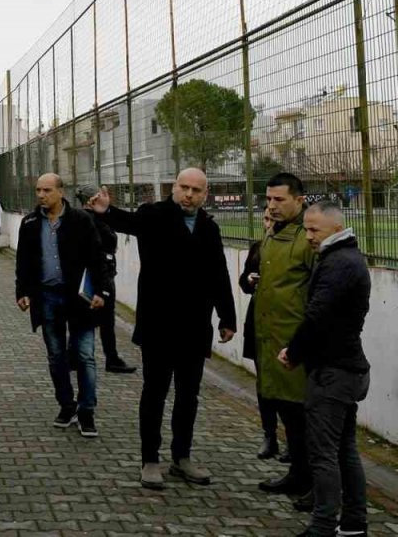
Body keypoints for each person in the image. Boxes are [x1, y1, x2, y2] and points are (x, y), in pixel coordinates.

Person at [89, 169, 236, 490]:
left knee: (188, 396)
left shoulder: (209, 227)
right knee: (154, 393)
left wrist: (227, 317)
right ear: (174, 188)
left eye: (196, 190)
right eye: (184, 188)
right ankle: (150, 459)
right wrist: (106, 210)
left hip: (195, 327)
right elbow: (129, 223)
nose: (189, 194)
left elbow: (218, 273)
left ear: (205, 194)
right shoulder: (154, 215)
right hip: (159, 325)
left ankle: (181, 457)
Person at [279, 201, 371, 537]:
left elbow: (317, 315)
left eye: (314, 229)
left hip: (333, 372)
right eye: (306, 228)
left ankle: (323, 525)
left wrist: (294, 351)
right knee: (344, 449)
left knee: (323, 453)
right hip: (346, 369)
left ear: (335, 227)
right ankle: (353, 524)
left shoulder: (339, 263)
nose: (308, 236)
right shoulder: (344, 258)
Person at [15, 175, 111, 438]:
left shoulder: (81, 220)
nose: (41, 195)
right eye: (38, 190)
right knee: (56, 355)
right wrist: (21, 291)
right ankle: (67, 406)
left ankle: (87, 410)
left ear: (60, 192)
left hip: (79, 299)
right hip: (47, 298)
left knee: (85, 355)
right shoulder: (30, 223)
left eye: (47, 190)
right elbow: (23, 261)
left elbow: (97, 256)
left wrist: (102, 290)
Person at [255, 173, 316, 499]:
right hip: (270, 339)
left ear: (299, 199)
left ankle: (312, 481)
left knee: (302, 415)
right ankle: (298, 475)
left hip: (295, 344)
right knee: (286, 412)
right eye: (269, 199)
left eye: (279, 200)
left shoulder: (308, 239)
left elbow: (317, 293)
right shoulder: (271, 235)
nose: (272, 206)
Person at [77, 184, 139, 375]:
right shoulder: (91, 219)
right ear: (90, 199)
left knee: (99, 319)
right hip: (99, 274)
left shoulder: (90, 218)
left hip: (101, 272)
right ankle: (107, 358)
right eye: (97, 195)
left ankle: (101, 357)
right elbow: (105, 243)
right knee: (100, 319)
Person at [241, 213, 286, 461]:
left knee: (288, 385)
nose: (269, 224)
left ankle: (292, 439)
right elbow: (243, 280)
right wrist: (249, 280)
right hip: (258, 321)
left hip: (282, 324)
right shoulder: (258, 248)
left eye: (272, 220)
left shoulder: (292, 248)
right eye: (266, 220)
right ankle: (269, 435)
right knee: (264, 382)